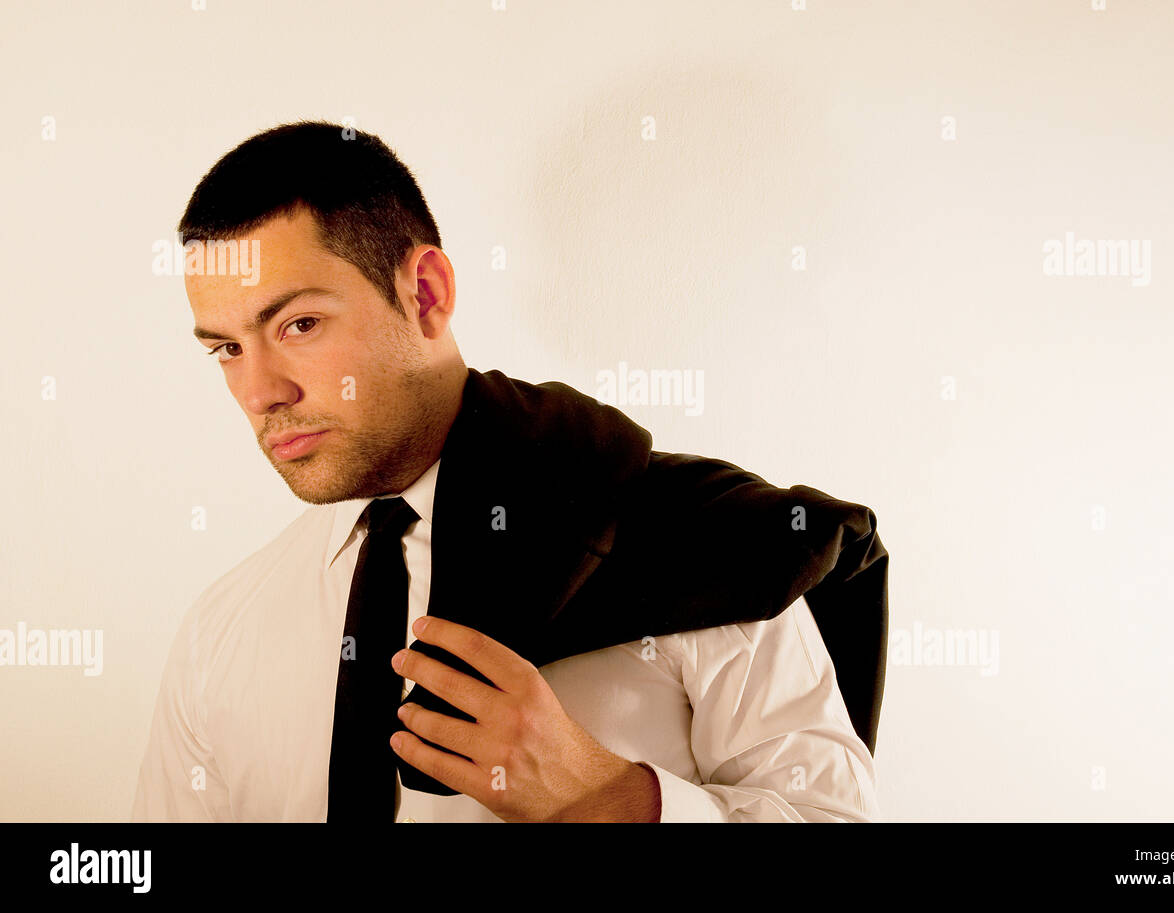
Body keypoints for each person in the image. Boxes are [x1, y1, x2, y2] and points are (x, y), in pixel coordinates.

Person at [132, 121, 883, 822]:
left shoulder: (702, 544)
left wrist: (610, 797)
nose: (260, 392)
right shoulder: (218, 635)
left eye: (298, 325)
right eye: (226, 348)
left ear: (425, 294)